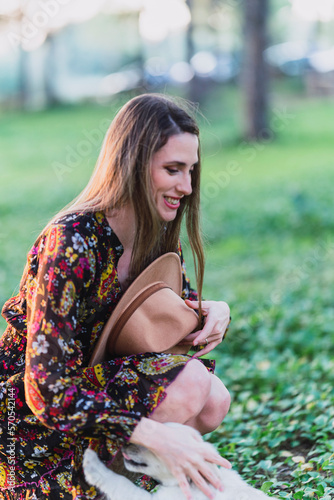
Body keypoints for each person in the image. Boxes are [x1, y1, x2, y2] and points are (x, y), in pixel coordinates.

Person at [0, 93, 231, 500]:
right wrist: (155, 434)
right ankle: (89, 487)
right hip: (29, 418)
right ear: (133, 165)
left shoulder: (156, 239)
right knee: (192, 382)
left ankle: (119, 483)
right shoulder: (71, 242)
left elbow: (172, 322)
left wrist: (216, 311)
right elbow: (46, 392)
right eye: (173, 170)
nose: (187, 186)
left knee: (214, 398)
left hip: (92, 396)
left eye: (191, 171)